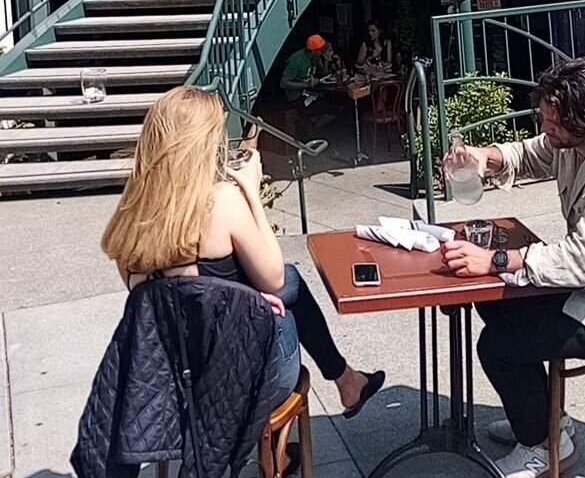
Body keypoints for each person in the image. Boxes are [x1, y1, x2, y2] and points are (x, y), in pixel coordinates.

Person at [440, 58, 585, 478]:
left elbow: (583, 258)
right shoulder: (575, 142)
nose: (546, 130)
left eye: (553, 123)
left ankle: (543, 447)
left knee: (499, 344)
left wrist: (497, 260)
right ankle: (546, 420)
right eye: (543, 119)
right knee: (493, 299)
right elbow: (529, 154)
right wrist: (481, 157)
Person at [101, 86, 384, 430]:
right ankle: (344, 382)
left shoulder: (131, 218)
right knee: (285, 289)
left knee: (285, 283)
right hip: (246, 383)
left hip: (175, 382)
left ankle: (345, 382)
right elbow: (273, 278)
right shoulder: (221, 201)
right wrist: (250, 190)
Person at [280, 34, 331, 111]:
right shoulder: (296, 61)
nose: (322, 52)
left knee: (331, 103)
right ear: (313, 51)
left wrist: (326, 61)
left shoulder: (316, 57)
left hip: (311, 92)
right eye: (321, 50)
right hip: (297, 96)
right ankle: (312, 122)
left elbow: (322, 74)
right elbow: (283, 83)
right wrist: (306, 84)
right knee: (326, 109)